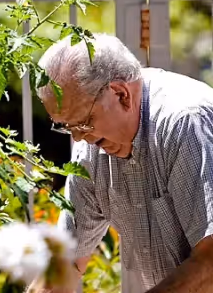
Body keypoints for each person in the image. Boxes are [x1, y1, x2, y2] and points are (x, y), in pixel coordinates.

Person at [29, 33, 213, 293]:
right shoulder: (90, 149)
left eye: (83, 122)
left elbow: (210, 263)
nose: (79, 137)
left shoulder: (184, 123)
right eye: (67, 127)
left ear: (121, 94)